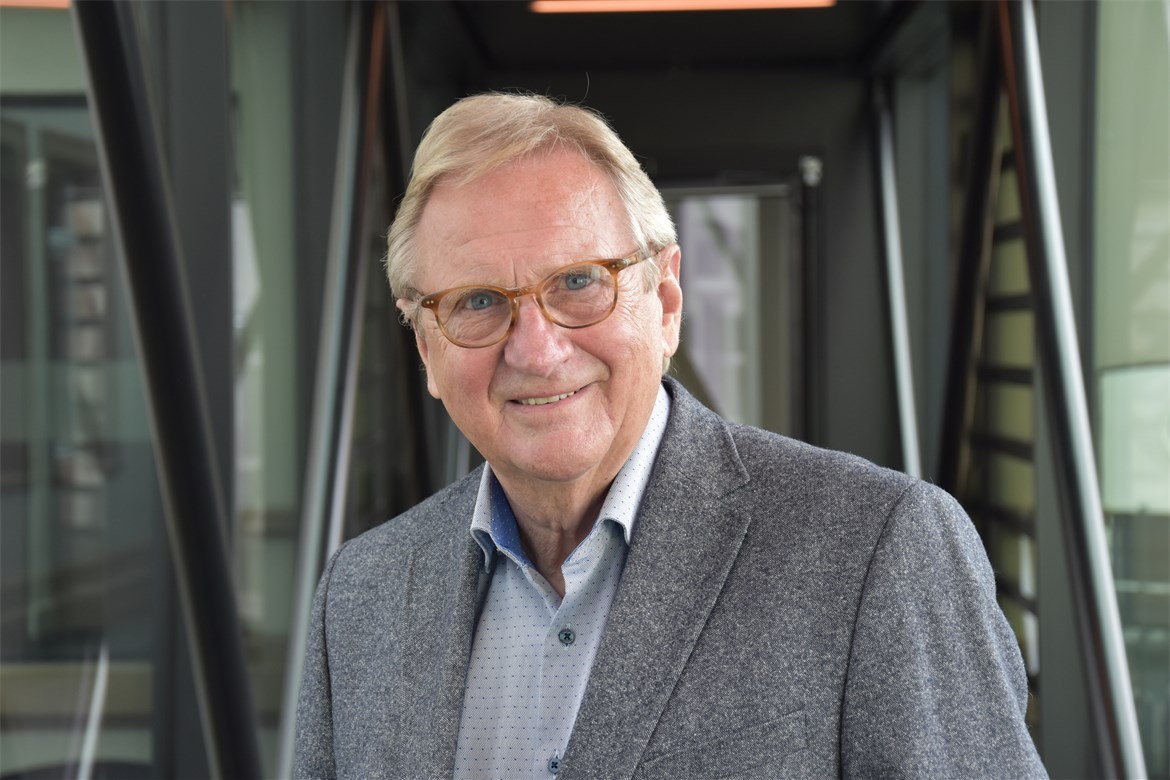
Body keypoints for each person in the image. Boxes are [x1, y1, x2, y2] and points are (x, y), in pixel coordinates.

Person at [295, 92, 1046, 779]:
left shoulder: (878, 550)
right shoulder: (361, 595)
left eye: (579, 282)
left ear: (666, 300)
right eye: (478, 301)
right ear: (427, 348)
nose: (537, 350)